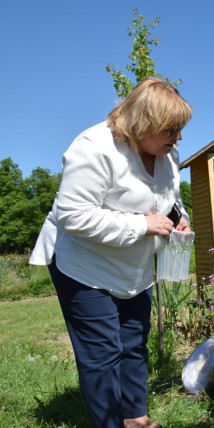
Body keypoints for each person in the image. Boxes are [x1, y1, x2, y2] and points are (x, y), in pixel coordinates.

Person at [29, 78, 192, 428]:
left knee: (133, 342)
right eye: (172, 129)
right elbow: (73, 215)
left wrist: (179, 221)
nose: (179, 138)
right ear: (143, 123)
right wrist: (141, 225)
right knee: (102, 352)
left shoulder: (167, 153)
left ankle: (136, 418)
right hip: (84, 266)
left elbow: (169, 200)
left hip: (133, 269)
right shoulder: (94, 146)